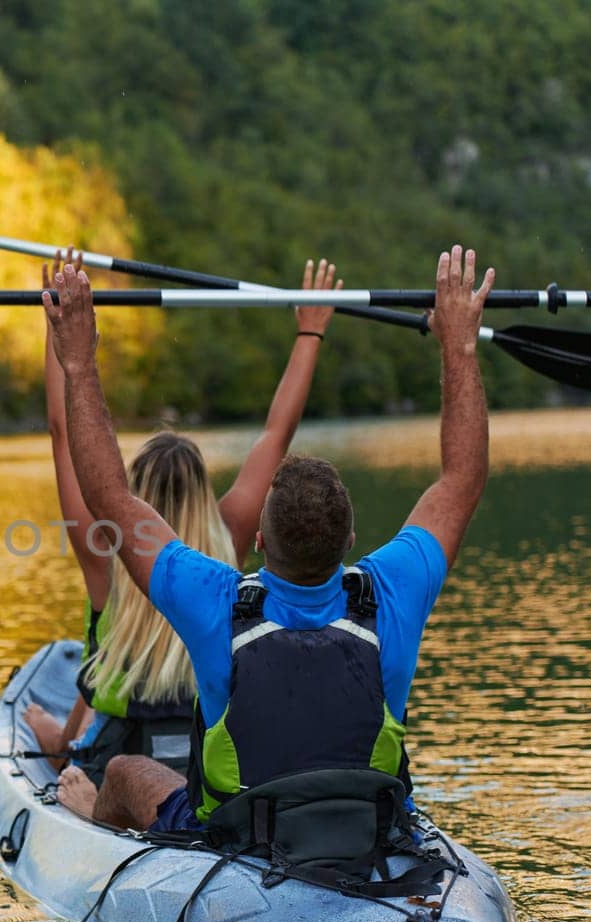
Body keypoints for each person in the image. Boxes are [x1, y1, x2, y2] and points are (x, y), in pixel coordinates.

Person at [43, 245, 493, 833]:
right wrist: (459, 345)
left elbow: (109, 498)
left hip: (241, 831)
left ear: (258, 538)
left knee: (128, 769)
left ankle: (87, 821)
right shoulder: (392, 589)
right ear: (351, 538)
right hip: (366, 824)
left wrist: (78, 361)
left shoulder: (214, 599)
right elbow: (462, 479)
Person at [25, 250, 343, 817]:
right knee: (74, 720)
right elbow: (278, 431)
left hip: (121, 756)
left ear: (132, 493)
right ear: (202, 490)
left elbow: (60, 434)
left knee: (67, 732)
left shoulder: (108, 544)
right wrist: (309, 332)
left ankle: (72, 774)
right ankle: (61, 742)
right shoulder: (230, 534)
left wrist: (65, 336)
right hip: (214, 752)